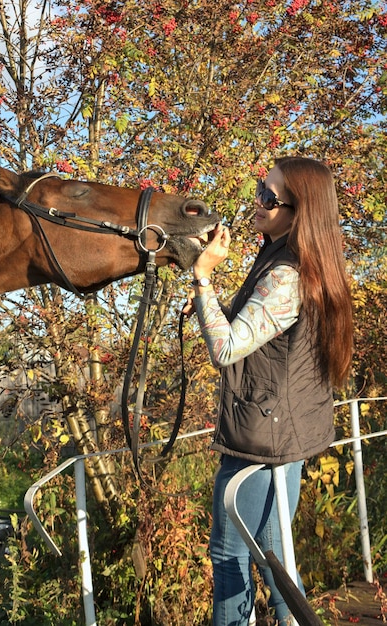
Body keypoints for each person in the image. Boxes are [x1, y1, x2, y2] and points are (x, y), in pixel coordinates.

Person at [184, 157, 354, 625]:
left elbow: (227, 347)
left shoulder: (286, 275)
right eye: (261, 189)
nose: (257, 202)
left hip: (262, 444)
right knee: (274, 560)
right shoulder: (289, 259)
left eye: (269, 197)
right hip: (276, 433)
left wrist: (202, 278)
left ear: (299, 213)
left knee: (230, 557)